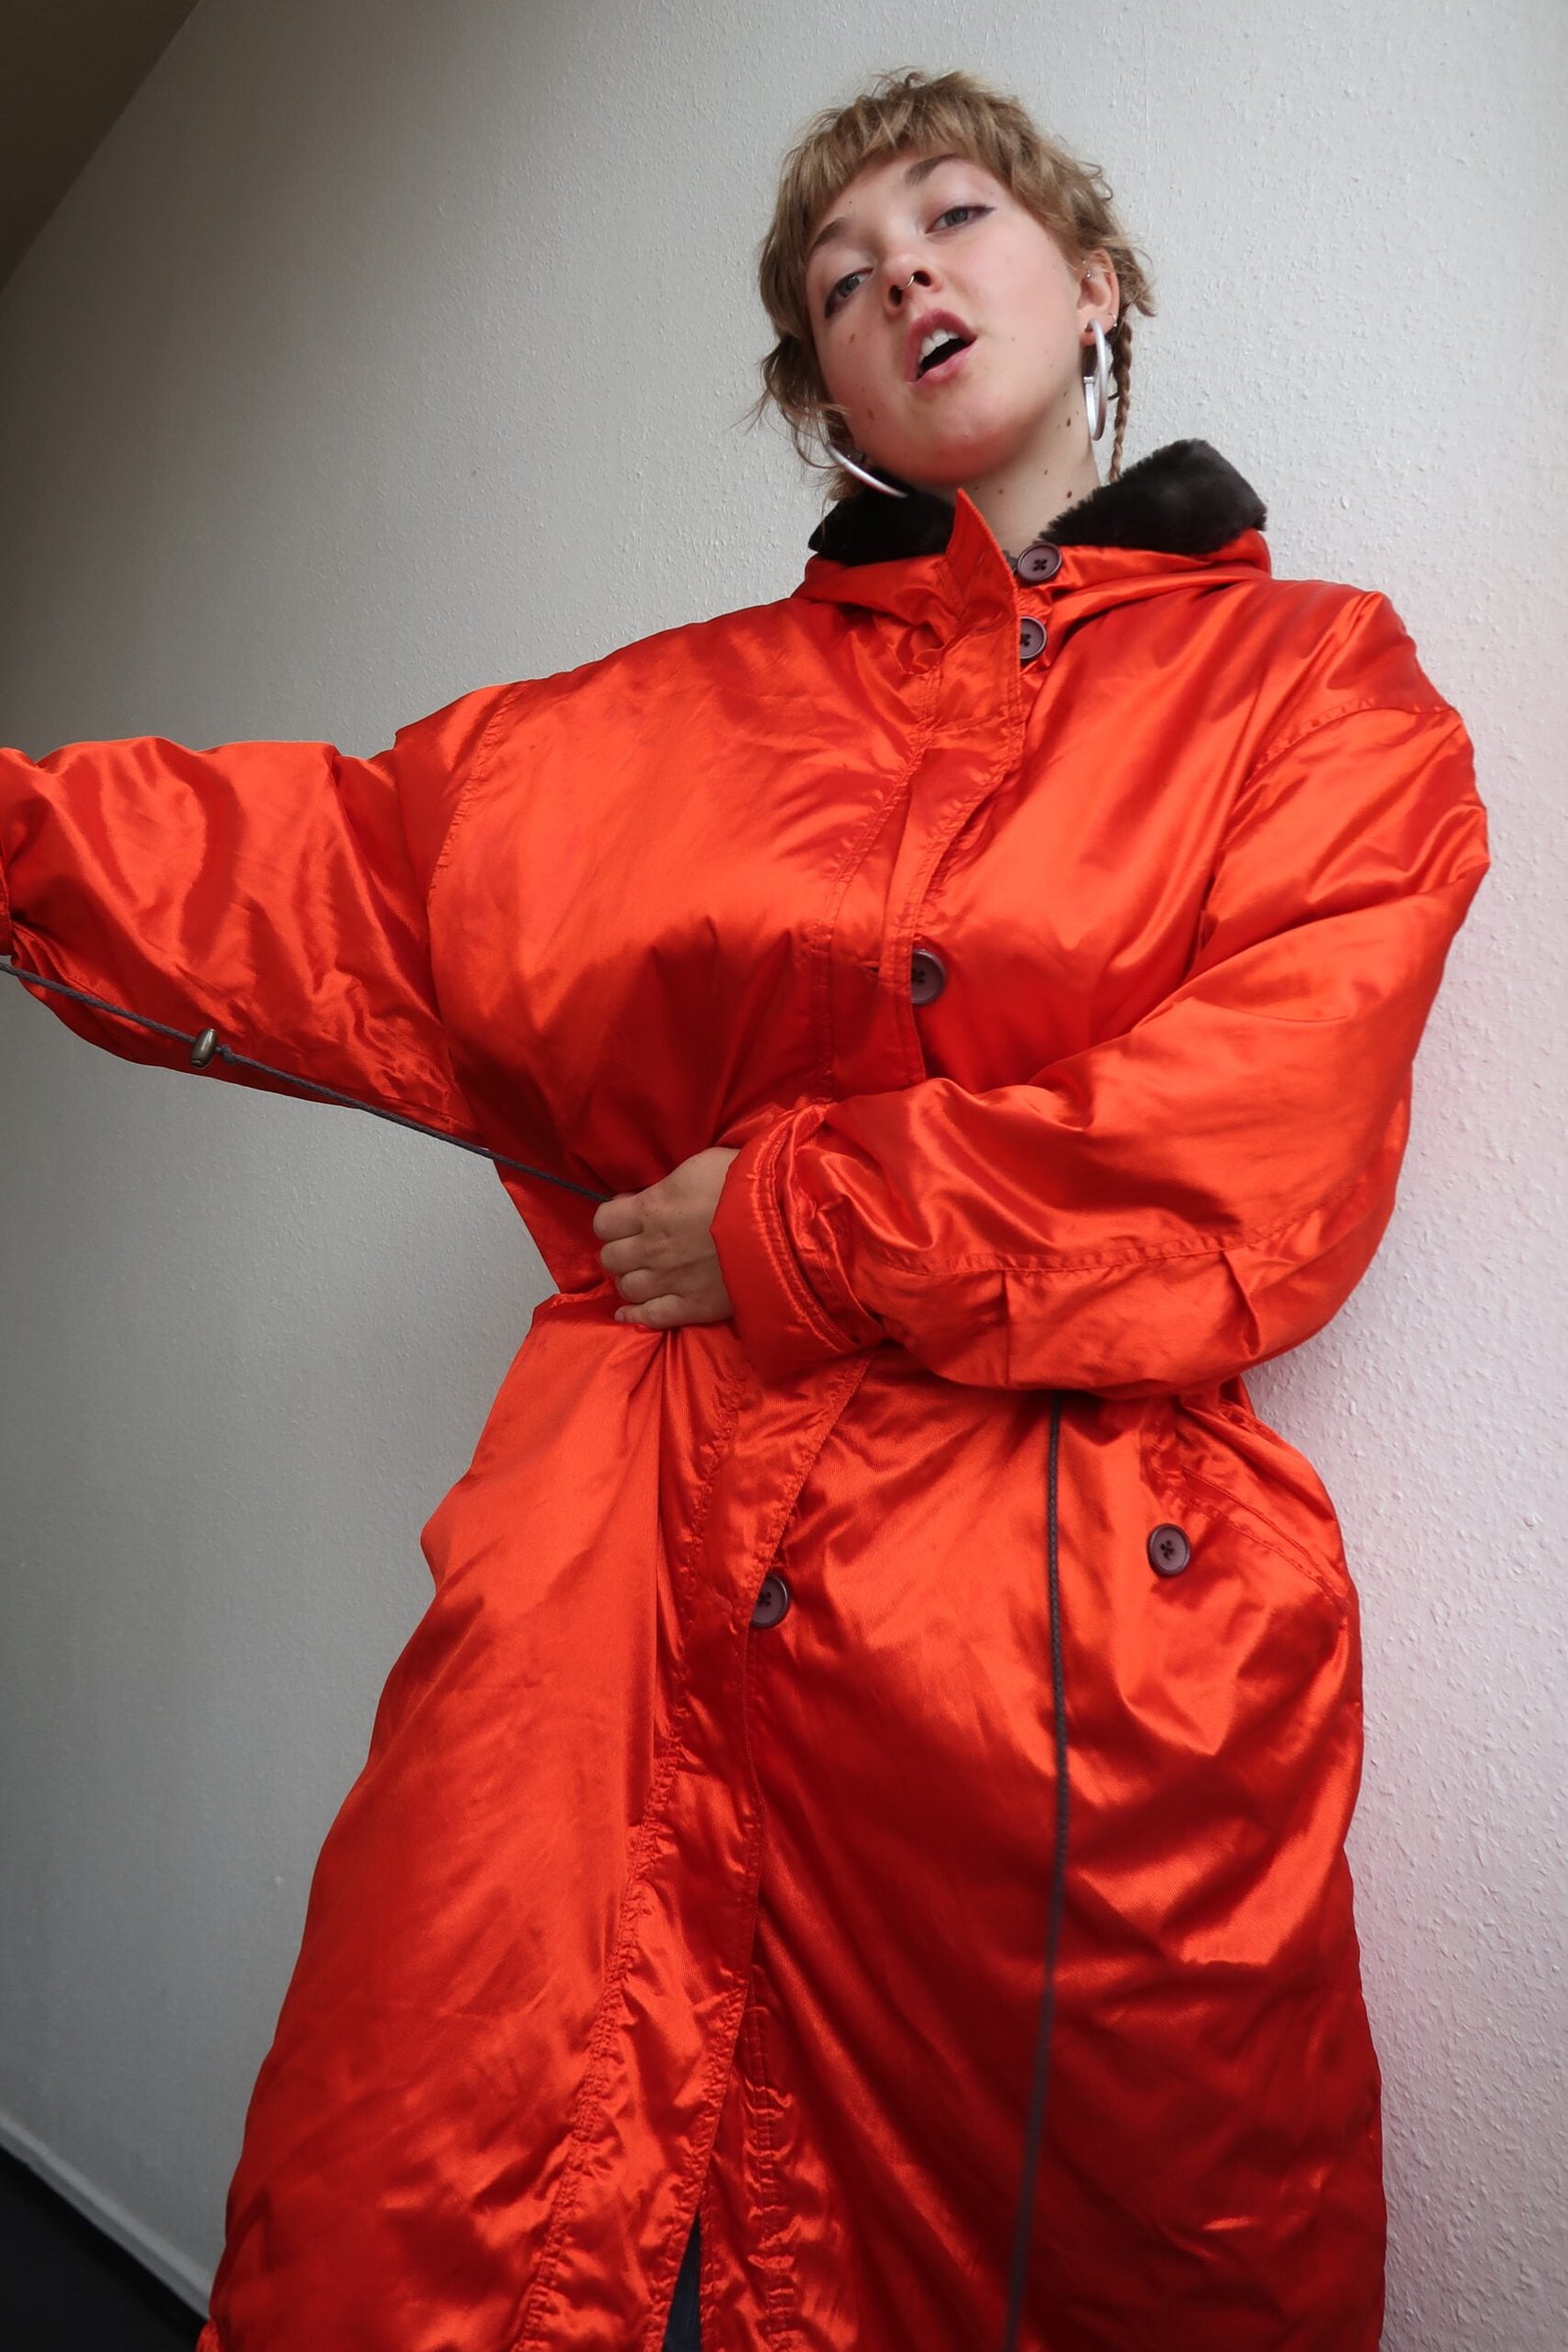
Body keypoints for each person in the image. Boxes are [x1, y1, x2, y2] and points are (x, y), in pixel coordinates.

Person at [0, 63, 1490, 2352]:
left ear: (1094, 280)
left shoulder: (1311, 687)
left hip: (1045, 1662)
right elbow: (332, 871)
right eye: (834, 278)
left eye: (955, 217)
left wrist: (782, 1221)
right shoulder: (666, 728)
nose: (900, 274)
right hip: (612, 1590)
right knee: (471, 2202)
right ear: (822, 394)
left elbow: (1255, 1137)